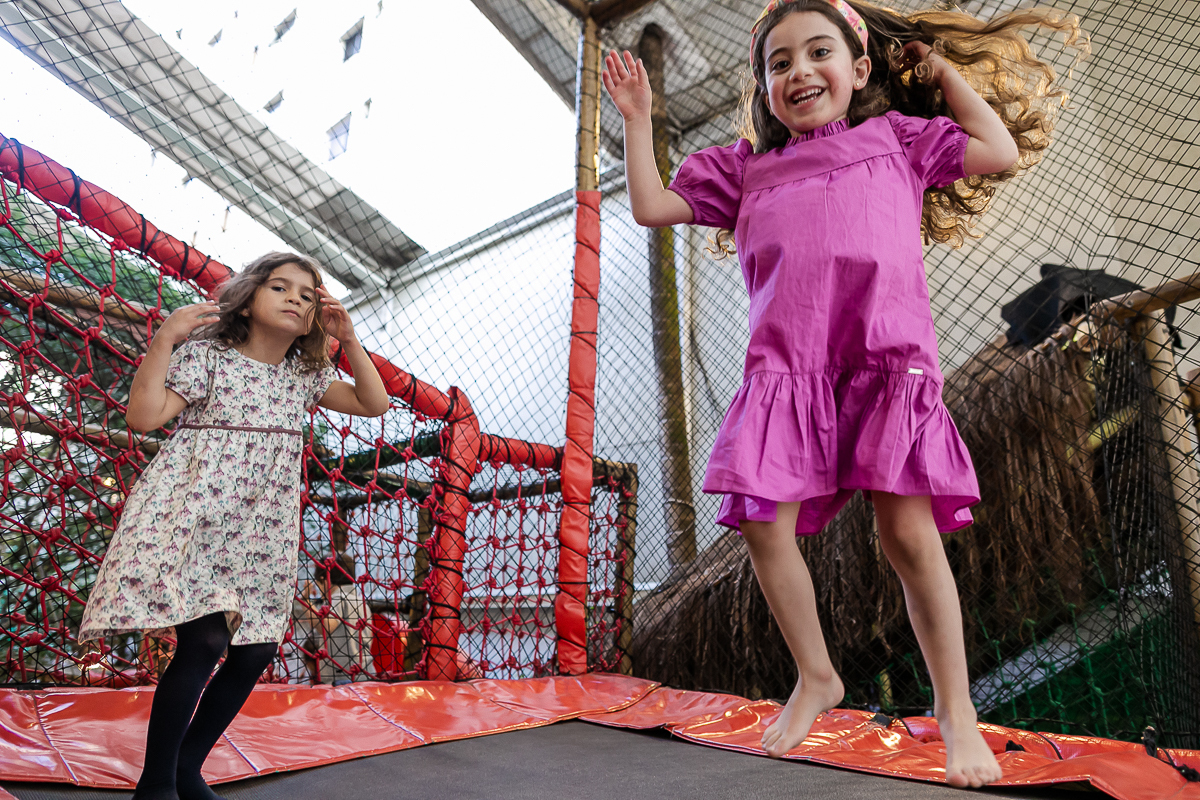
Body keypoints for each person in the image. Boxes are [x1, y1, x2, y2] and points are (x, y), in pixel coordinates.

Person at [602, 0, 1080, 789]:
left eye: (818, 52)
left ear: (858, 71)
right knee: (763, 524)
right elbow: (653, 206)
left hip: (886, 364)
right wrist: (638, 119)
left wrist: (942, 72)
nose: (799, 71)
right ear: (765, 88)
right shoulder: (746, 171)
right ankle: (817, 674)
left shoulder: (896, 141)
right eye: (779, 62)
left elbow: (996, 149)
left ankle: (956, 711)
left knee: (908, 537)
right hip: (787, 375)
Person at [78, 251, 389, 800]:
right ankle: (156, 785)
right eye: (280, 287)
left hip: (261, 530)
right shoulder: (209, 357)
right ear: (246, 301)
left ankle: (186, 769)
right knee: (203, 642)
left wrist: (349, 339)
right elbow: (144, 417)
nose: (295, 298)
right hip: (194, 516)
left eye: (307, 295)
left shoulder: (304, 375)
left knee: (256, 650)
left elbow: (374, 402)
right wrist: (166, 339)